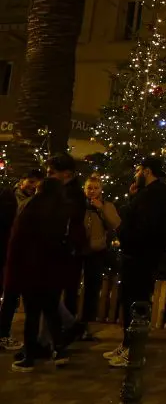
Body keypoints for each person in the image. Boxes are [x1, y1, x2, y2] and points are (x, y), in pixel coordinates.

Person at [5, 177, 82, 371]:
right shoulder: (66, 210)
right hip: (55, 269)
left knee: (32, 314)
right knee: (51, 310)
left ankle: (30, 356)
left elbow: (19, 240)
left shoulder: (31, 208)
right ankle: (59, 351)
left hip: (32, 268)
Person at [104, 157, 166, 368]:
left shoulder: (155, 196)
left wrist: (119, 228)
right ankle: (127, 344)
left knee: (136, 302)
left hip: (141, 257)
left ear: (147, 171)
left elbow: (142, 228)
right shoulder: (148, 194)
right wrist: (133, 197)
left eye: (139, 170)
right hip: (137, 255)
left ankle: (135, 351)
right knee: (129, 300)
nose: (136, 174)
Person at [0, 170, 43, 351]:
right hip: (4, 250)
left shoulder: (37, 203)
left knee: (11, 295)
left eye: (36, 184)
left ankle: (3, 333)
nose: (33, 187)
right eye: (30, 182)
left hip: (20, 255)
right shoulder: (7, 197)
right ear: (22, 180)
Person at [46, 153, 88, 335]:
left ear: (66, 174)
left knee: (62, 291)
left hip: (67, 248)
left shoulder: (71, 194)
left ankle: (67, 328)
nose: (49, 177)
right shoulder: (63, 192)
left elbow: (66, 219)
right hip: (65, 247)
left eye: (52, 173)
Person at [80, 175, 120, 340]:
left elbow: (115, 224)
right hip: (78, 250)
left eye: (96, 188)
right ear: (85, 189)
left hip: (96, 251)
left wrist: (101, 209)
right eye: (90, 188)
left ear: (101, 189)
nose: (92, 191)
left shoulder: (107, 206)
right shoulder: (79, 205)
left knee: (92, 288)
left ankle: (85, 325)